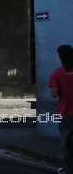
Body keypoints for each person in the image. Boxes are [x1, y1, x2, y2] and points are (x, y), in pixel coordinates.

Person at [49, 44, 73, 174]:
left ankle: (69, 169)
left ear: (60, 57)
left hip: (66, 113)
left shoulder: (57, 73)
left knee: (67, 143)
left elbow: (54, 94)